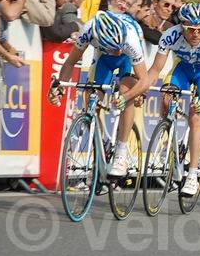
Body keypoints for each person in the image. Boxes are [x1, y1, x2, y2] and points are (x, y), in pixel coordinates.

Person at [48, 11, 150, 176]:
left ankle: (121, 153)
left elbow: (144, 80)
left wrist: (132, 95)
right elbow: (70, 63)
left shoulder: (130, 38)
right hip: (103, 57)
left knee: (126, 90)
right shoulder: (88, 31)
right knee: (91, 99)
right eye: (113, 48)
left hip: (127, 59)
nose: (117, 51)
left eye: (119, 47)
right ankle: (101, 146)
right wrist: (60, 89)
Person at [146, 3, 200, 196]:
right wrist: (142, 88)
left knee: (196, 117)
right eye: (190, 29)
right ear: (182, 26)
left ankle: (192, 175)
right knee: (166, 98)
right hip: (182, 70)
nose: (195, 34)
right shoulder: (170, 35)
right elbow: (155, 70)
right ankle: (168, 139)